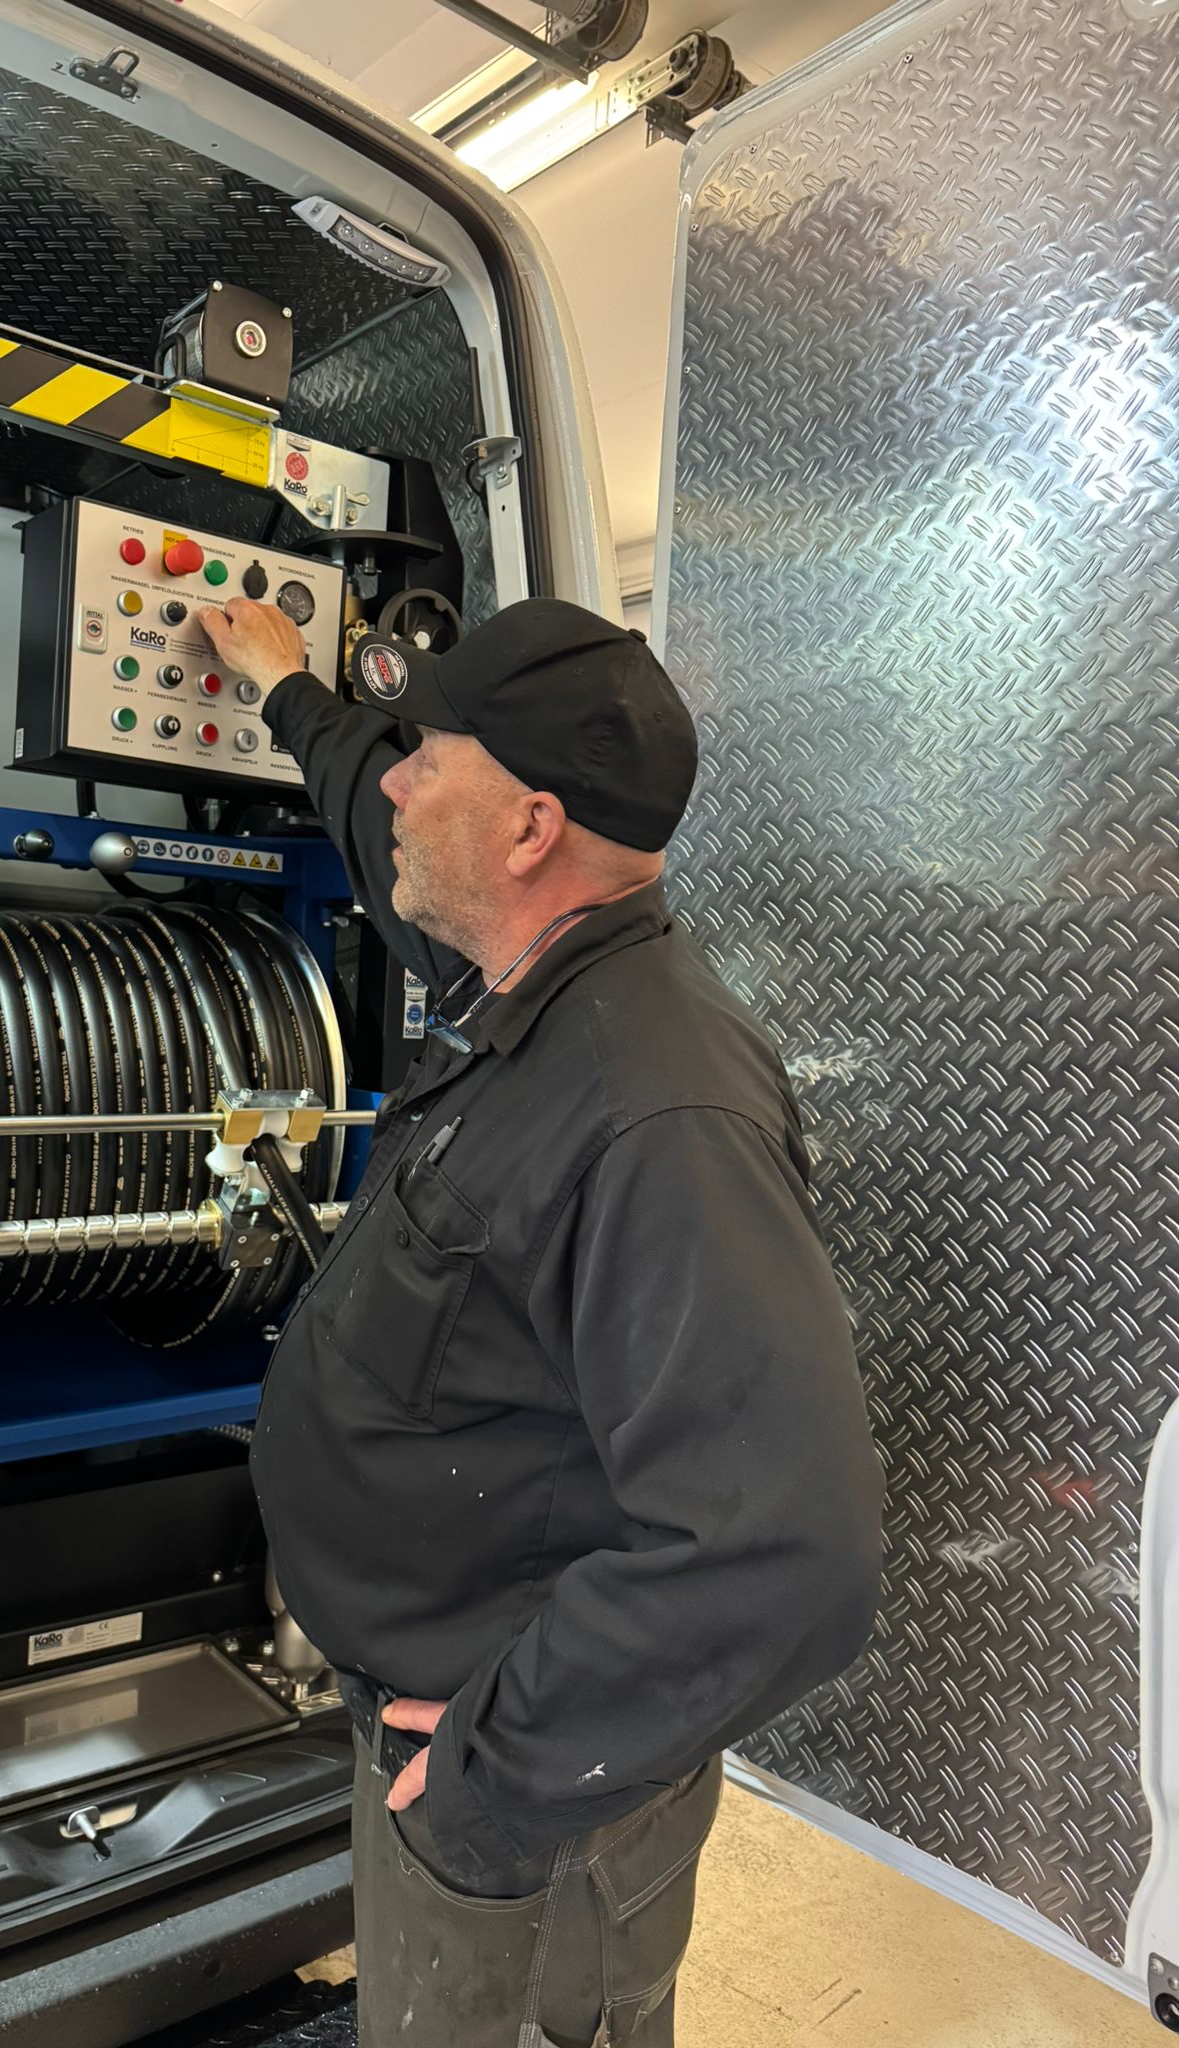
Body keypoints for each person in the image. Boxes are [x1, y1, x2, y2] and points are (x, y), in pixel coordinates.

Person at [199, 594, 884, 2048]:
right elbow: (374, 816)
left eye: (429, 756)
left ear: (527, 830)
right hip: (455, 1745)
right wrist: (286, 692)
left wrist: (488, 1782)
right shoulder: (520, 969)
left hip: (526, 1817)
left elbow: (786, 1557)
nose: (396, 782)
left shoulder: (658, 1112)